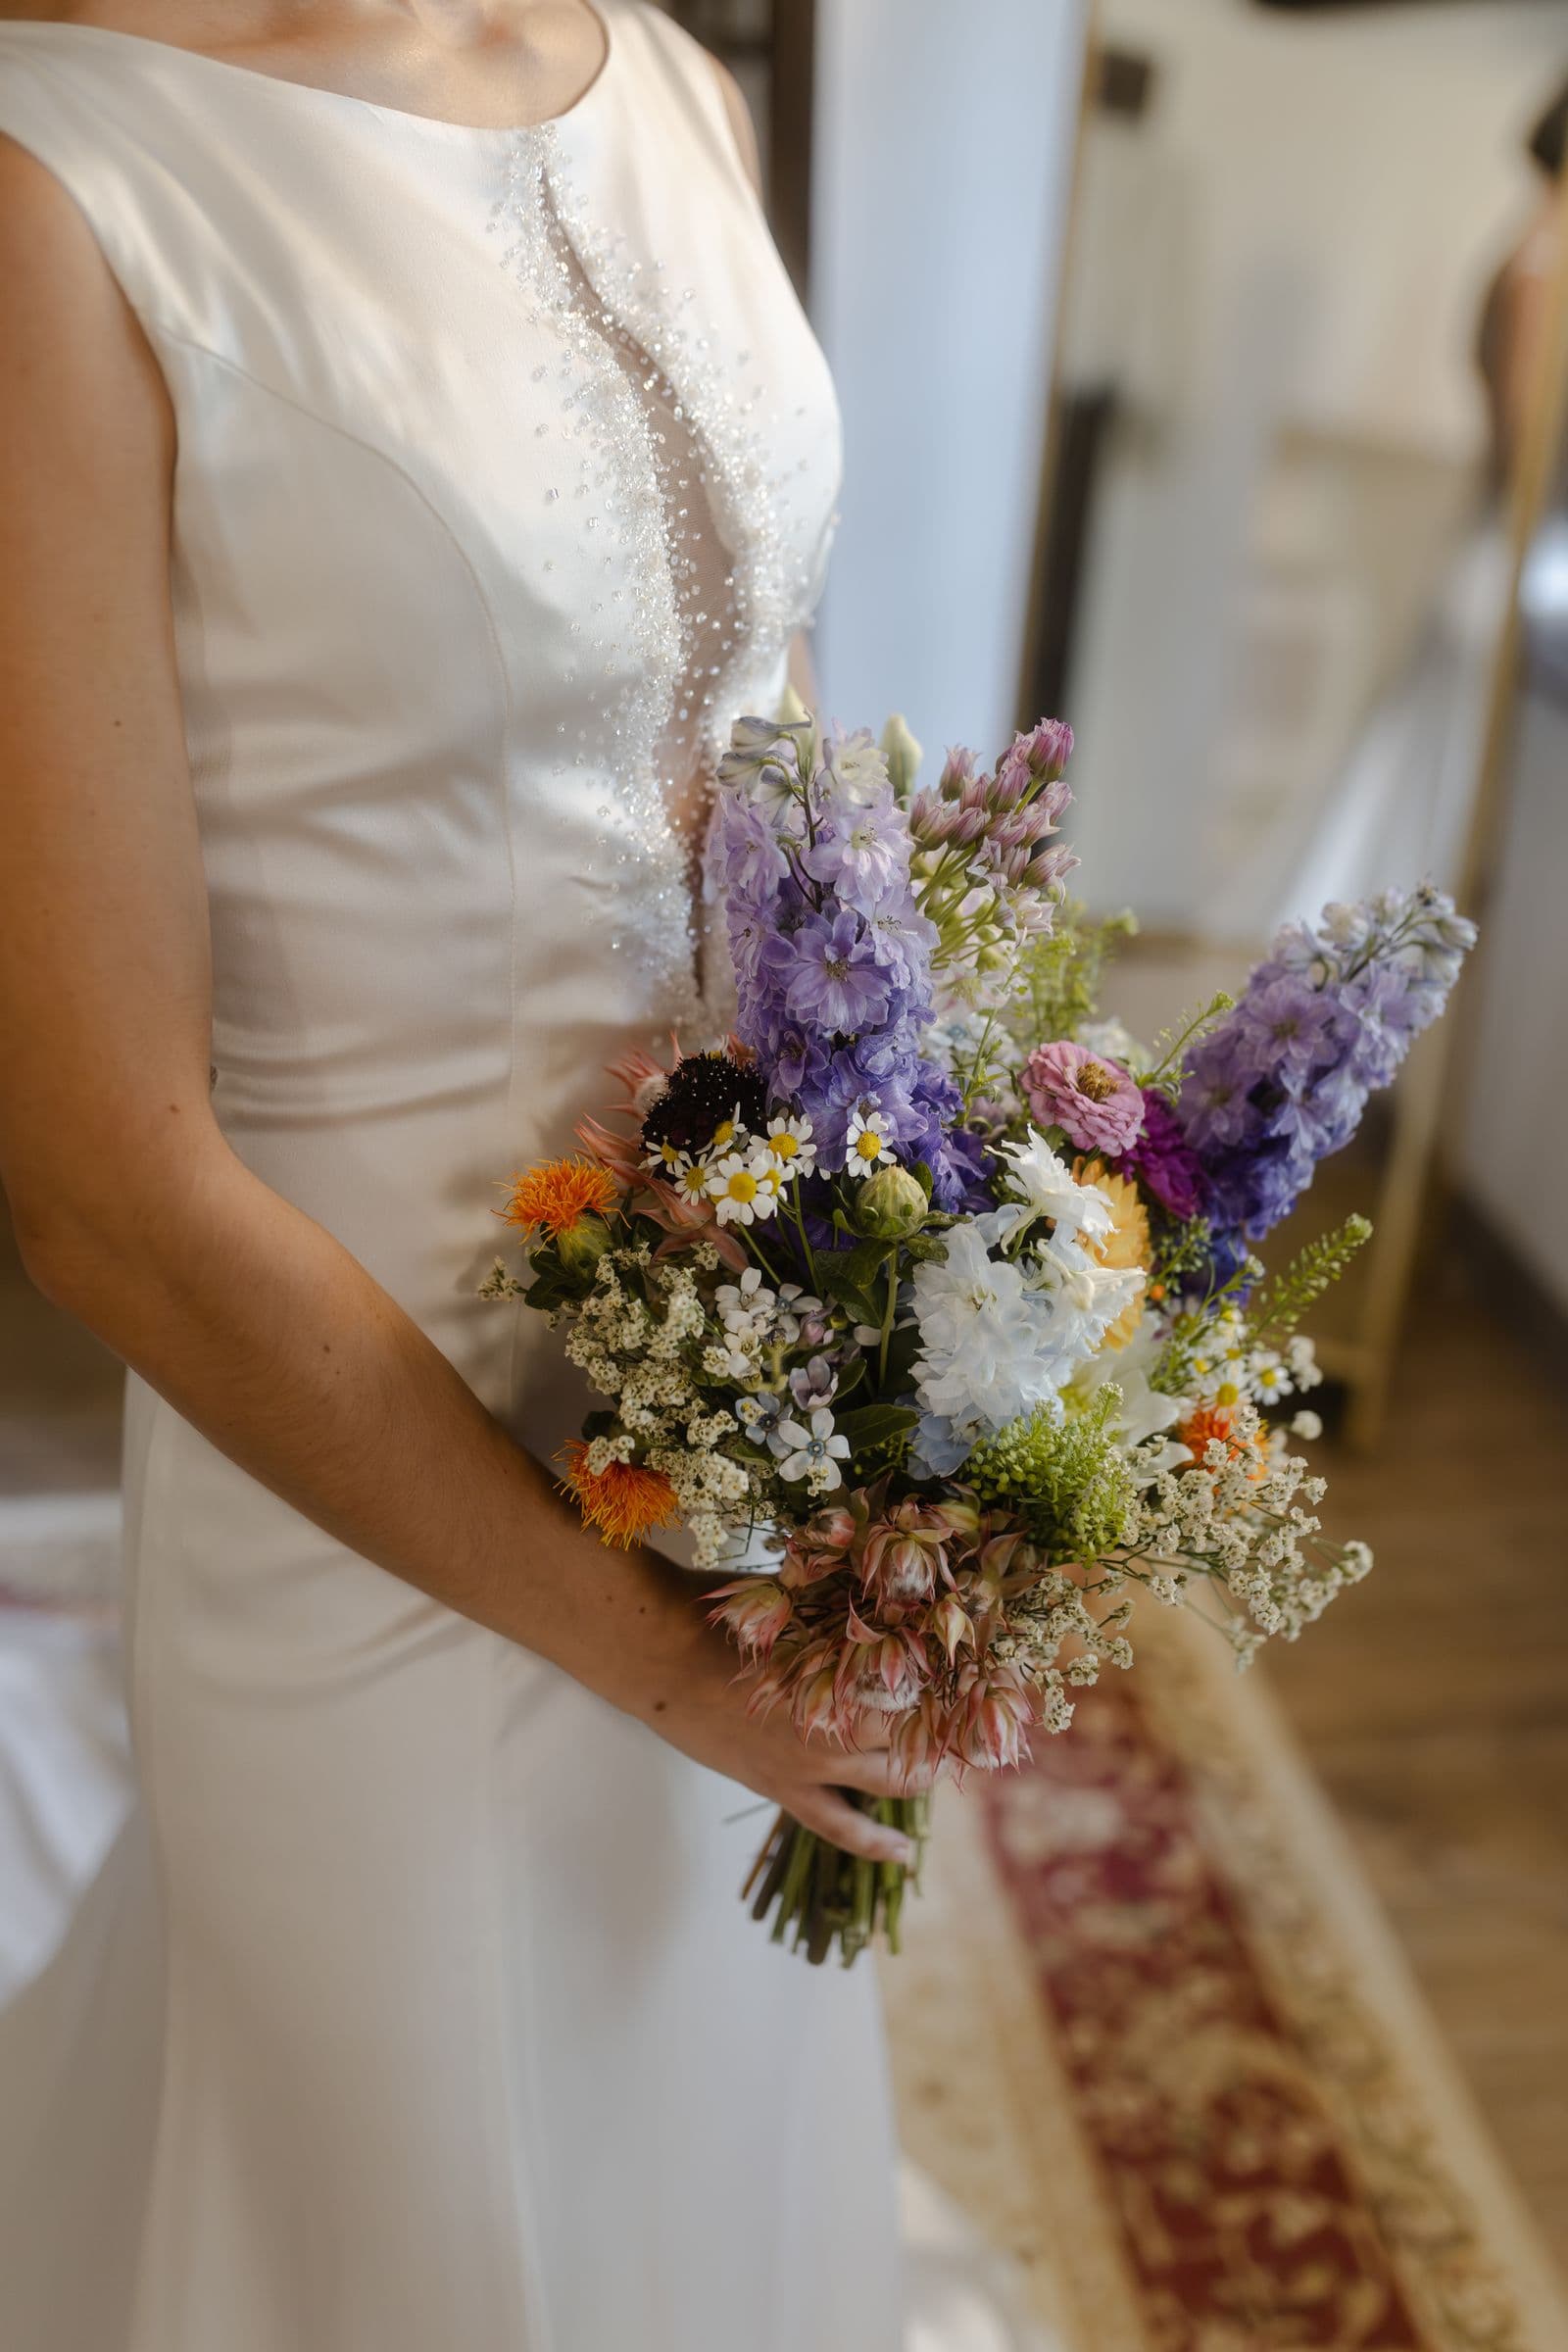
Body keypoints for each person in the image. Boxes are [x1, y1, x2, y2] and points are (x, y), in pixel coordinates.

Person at [0, 5, 931, 2344]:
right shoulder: (57, 189)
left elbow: (769, 769)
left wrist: (914, 1329)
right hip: (359, 1503)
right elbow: (97, 1183)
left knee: (697, 2155)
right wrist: (656, 1662)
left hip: (741, 1437)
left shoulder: (673, 82)